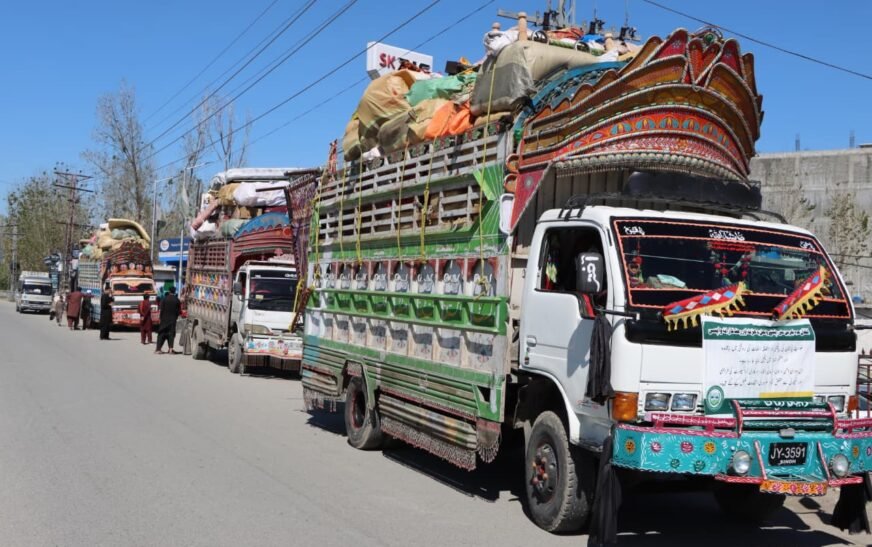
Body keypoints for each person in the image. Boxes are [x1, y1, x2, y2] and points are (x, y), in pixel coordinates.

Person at [155, 286, 181, 354]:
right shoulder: (177, 300)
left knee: (161, 334)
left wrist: (159, 318)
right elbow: (178, 311)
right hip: (172, 320)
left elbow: (160, 310)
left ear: (169, 291)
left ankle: (158, 349)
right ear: (175, 291)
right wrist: (176, 317)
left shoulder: (164, 299)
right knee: (171, 334)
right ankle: (170, 349)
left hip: (164, 320)